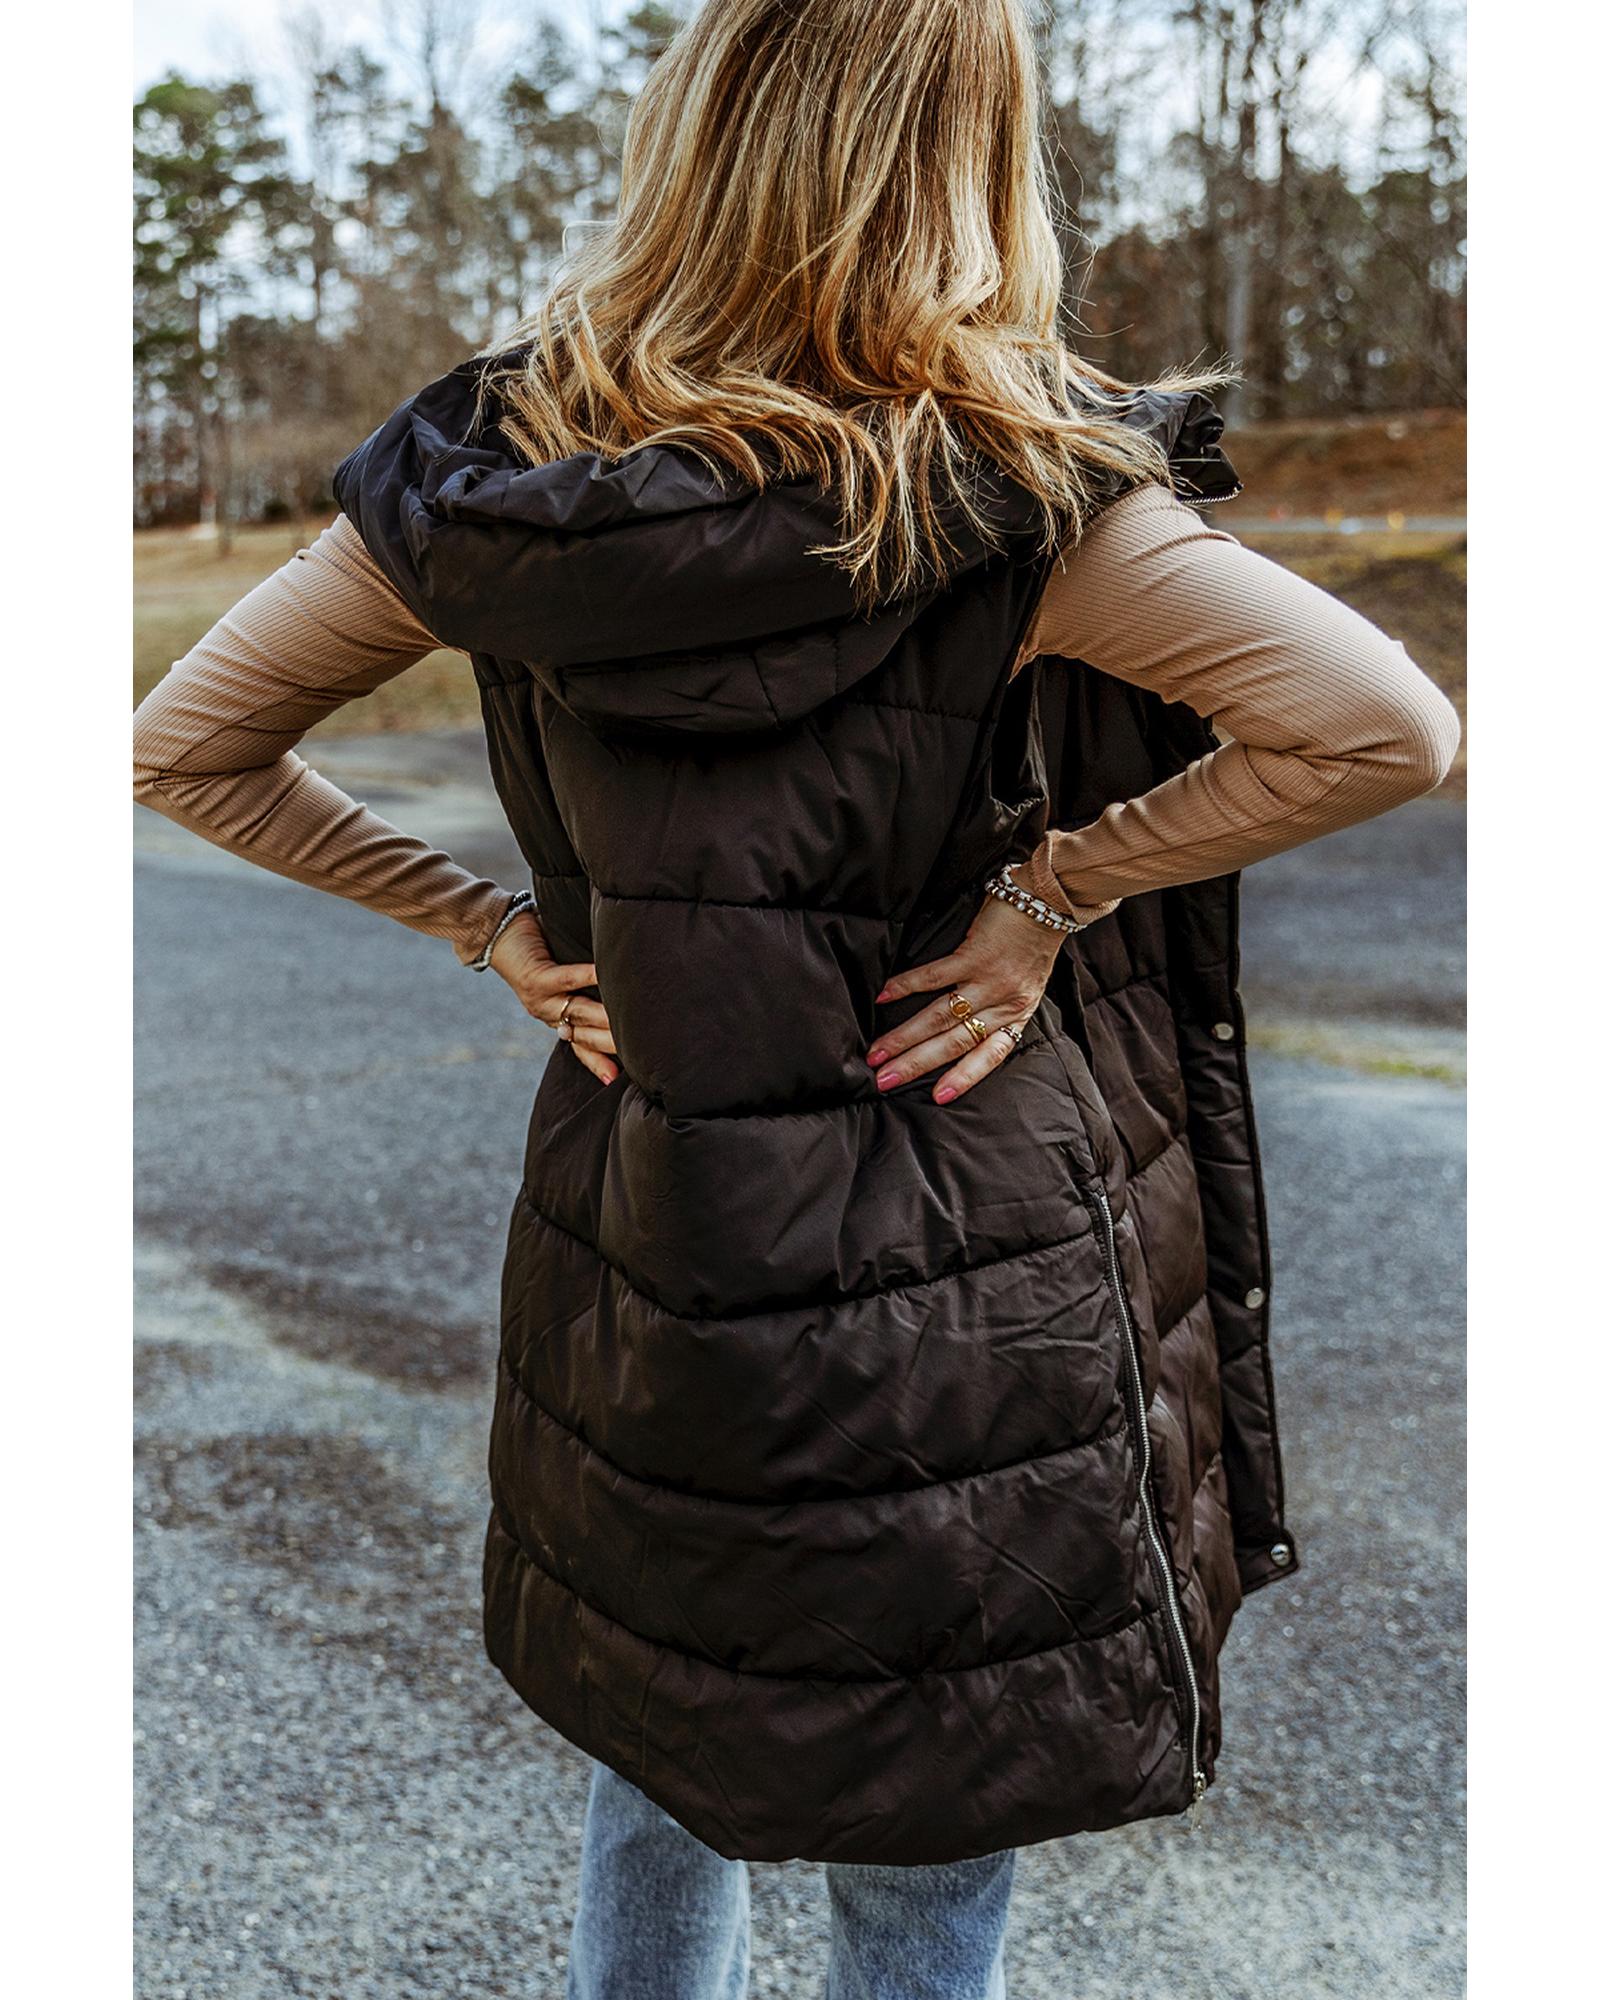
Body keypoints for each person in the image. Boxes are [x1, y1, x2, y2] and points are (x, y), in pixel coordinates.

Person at [132, 2, 1460, 1993]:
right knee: (930, 1814)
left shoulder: (494, 487)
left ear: (689, 135)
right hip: (961, 1259)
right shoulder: (1022, 496)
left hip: (656, 1232)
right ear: (966, 162)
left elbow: (185, 746)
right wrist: (1050, 894)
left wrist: (483, 927)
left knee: (666, 1737)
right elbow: (1381, 728)